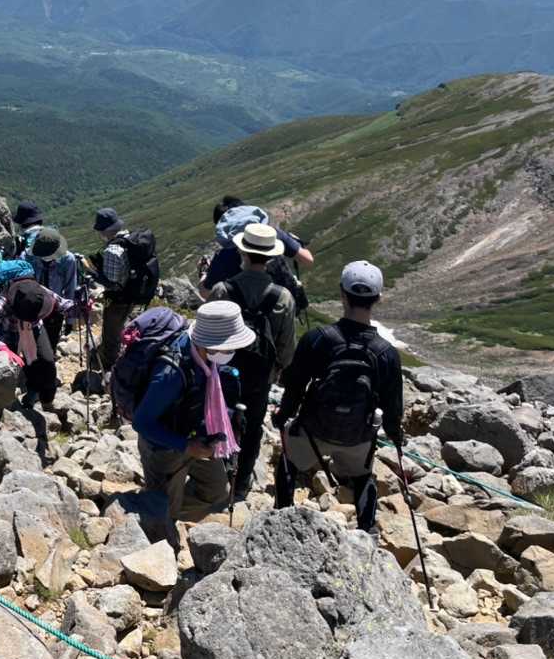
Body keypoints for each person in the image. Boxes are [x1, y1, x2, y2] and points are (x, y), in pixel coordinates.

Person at [273, 261, 404, 533]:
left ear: (342, 294)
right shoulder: (387, 353)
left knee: (288, 460)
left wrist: (283, 416)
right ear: (378, 298)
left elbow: (294, 387)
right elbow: (392, 407)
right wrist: (395, 434)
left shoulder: (318, 338)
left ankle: (281, 517)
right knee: (364, 476)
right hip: (357, 437)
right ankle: (367, 532)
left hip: (313, 430)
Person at [132, 301, 254, 524]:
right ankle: (155, 514)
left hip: (194, 433)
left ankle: (166, 508)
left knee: (217, 492)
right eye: (229, 347)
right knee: (164, 513)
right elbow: (141, 422)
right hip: (163, 448)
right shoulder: (171, 374)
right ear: (210, 345)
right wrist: (187, 446)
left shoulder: (207, 358)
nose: (233, 352)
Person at [211, 223, 297, 502]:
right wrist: (276, 369)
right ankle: (241, 482)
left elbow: (206, 336)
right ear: (270, 258)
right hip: (261, 376)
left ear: (242, 253)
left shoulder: (223, 290)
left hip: (223, 371)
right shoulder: (283, 297)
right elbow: (286, 348)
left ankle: (215, 474)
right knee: (253, 427)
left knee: (218, 418)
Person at [0, 276, 80, 413]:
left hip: (33, 329)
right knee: (13, 368)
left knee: (47, 363)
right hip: (8, 333)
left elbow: (63, 305)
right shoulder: (4, 300)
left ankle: (46, 402)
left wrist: (80, 307)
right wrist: (2, 348)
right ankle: (7, 407)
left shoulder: (39, 292)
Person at [88, 207, 158, 370]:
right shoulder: (131, 240)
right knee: (126, 325)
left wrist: (94, 273)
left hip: (119, 299)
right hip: (136, 294)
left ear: (104, 231)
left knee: (111, 333)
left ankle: (109, 366)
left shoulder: (112, 250)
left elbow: (112, 283)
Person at [22, 227, 78, 353]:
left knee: (50, 344)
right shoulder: (27, 257)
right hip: (32, 309)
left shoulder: (68, 260)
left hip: (55, 309)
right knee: (31, 346)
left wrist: (70, 320)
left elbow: (71, 288)